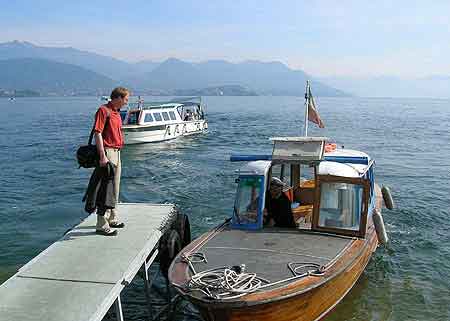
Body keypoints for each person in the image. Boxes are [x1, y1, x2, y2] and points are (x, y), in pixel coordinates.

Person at [93, 87, 129, 236]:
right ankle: (101, 223)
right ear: (118, 98)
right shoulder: (103, 110)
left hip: (117, 152)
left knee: (115, 187)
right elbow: (98, 132)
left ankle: (112, 217)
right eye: (126, 99)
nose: (127, 102)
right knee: (105, 189)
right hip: (108, 152)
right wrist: (102, 155)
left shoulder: (116, 113)